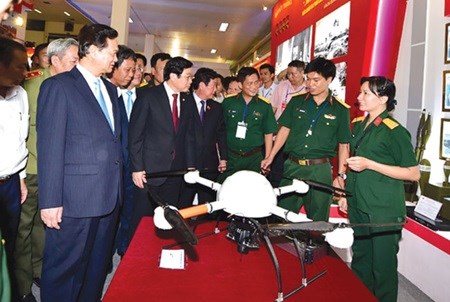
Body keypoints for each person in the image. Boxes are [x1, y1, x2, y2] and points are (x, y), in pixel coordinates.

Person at [36, 24, 122, 302]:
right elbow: (50, 146)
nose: (115, 59)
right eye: (112, 52)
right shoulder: (58, 86)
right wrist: (50, 201)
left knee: (95, 270)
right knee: (64, 272)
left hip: (108, 197)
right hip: (73, 200)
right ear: (93, 50)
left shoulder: (109, 90)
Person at [338, 77, 419, 302]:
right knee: (361, 261)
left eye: (365, 94)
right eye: (360, 92)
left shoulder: (394, 131)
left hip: (383, 210)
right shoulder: (359, 124)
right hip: (360, 204)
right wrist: (346, 194)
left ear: (383, 99)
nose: (359, 98)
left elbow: (413, 173)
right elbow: (354, 161)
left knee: (382, 269)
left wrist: (371, 164)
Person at [15, 37, 79, 302]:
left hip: (51, 170)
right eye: (73, 61)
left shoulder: (70, 86)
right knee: (23, 229)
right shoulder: (32, 83)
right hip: (30, 167)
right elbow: (26, 130)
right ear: (55, 61)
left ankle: (39, 269)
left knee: (44, 226)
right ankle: (22, 284)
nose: (77, 67)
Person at [261, 57, 351, 221]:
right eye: (308, 79)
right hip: (292, 166)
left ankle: (314, 245)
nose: (310, 84)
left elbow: (344, 145)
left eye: (316, 80)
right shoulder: (296, 102)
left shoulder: (340, 109)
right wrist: (271, 156)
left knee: (318, 219)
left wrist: (341, 175)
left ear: (329, 80)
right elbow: (284, 130)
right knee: (282, 214)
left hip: (320, 170)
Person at [128, 56, 196, 234]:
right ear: (173, 76)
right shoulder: (148, 96)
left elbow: (188, 136)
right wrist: (137, 168)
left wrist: (190, 166)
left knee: (168, 218)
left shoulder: (187, 100)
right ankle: (134, 255)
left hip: (175, 172)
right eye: (188, 77)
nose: (191, 81)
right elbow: (135, 135)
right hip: (149, 171)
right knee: (142, 218)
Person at [0, 36, 29, 301]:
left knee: (10, 243)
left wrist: (20, 178)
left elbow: (21, 140)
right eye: (19, 66)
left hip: (10, 184)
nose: (24, 72)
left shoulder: (21, 95)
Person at [218, 67, 277, 182]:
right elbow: (220, 130)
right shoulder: (228, 102)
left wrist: (267, 159)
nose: (254, 87)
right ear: (240, 84)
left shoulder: (264, 105)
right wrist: (222, 157)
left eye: (256, 82)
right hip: (231, 157)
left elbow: (268, 133)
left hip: (254, 158)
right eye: (249, 83)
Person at [180, 67, 227, 208]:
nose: (215, 90)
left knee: (207, 206)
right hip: (186, 163)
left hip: (209, 164)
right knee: (184, 203)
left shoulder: (217, 108)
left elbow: (221, 133)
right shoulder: (183, 103)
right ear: (201, 85)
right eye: (213, 86)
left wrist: (223, 158)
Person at [105, 45, 137, 258]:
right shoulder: (103, 94)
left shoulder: (119, 95)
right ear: (113, 67)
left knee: (126, 211)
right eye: (128, 70)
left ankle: (121, 247)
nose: (132, 75)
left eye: (134, 70)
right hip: (105, 169)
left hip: (127, 165)